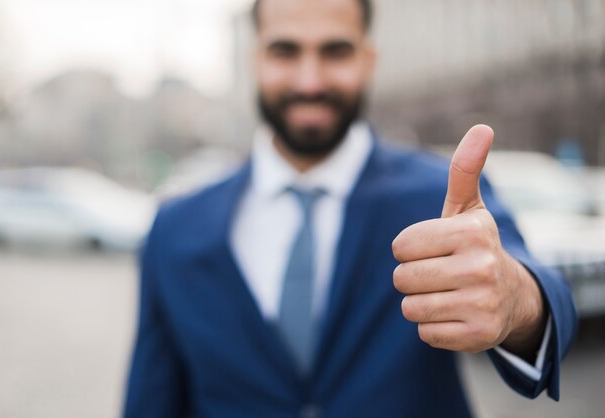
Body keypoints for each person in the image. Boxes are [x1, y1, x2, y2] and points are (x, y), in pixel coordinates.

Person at [123, 0, 577, 417]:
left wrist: (515, 297)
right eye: (285, 51)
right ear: (255, 59)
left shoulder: (438, 195)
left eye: (334, 52)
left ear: (367, 59)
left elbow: (542, 289)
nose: (310, 80)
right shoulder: (175, 229)